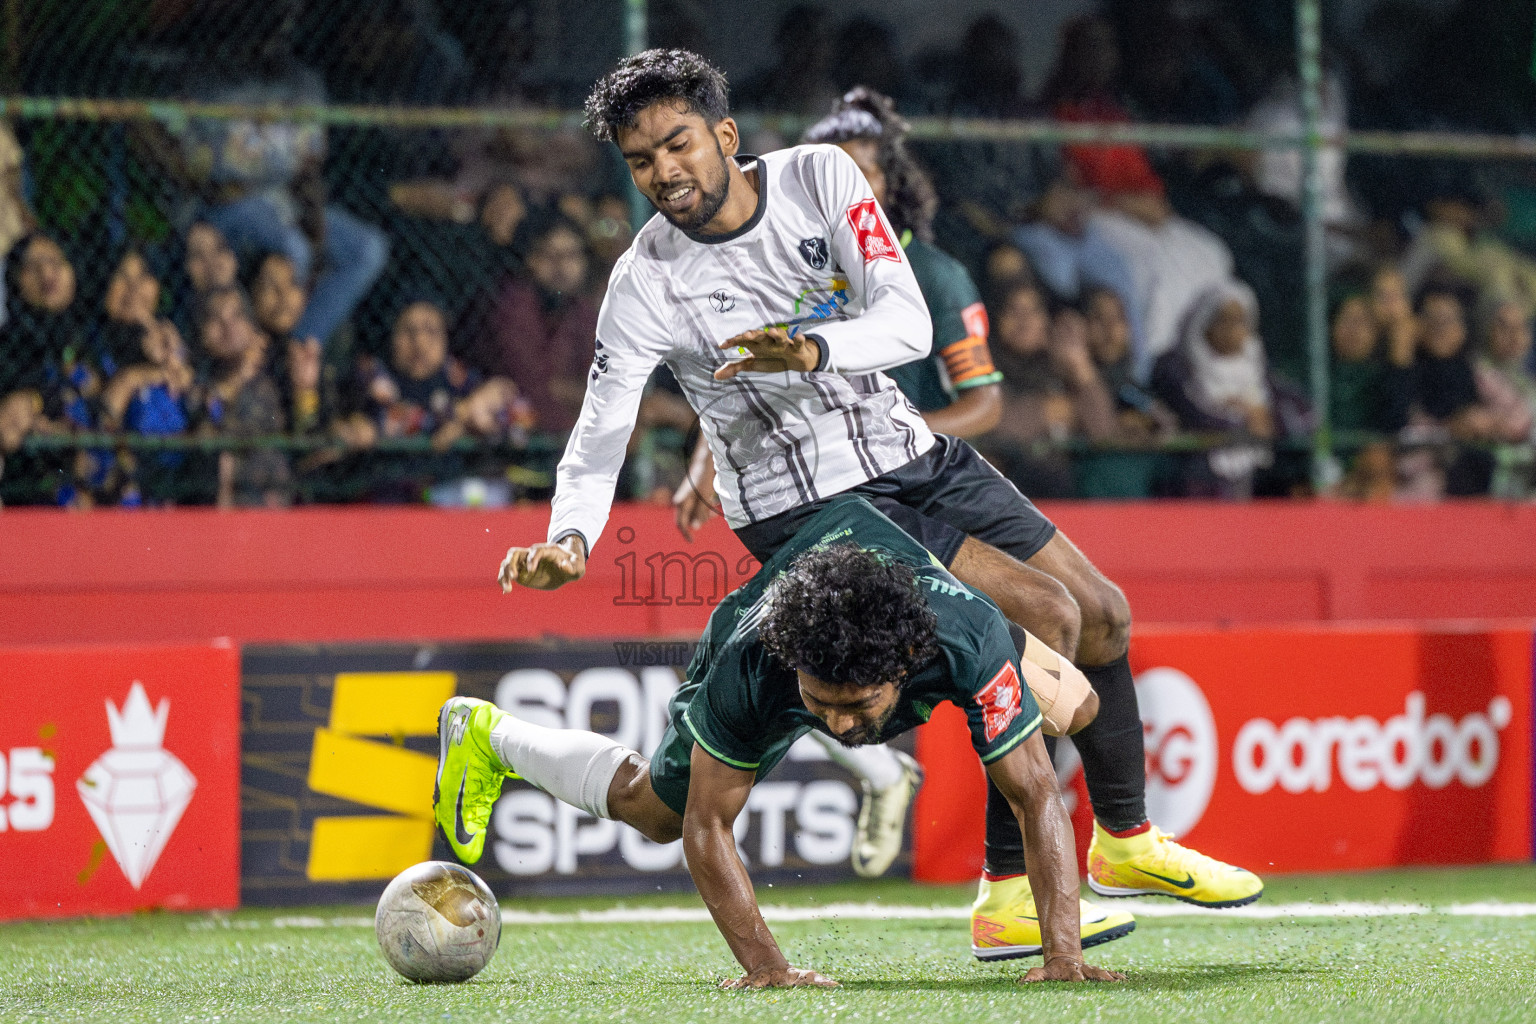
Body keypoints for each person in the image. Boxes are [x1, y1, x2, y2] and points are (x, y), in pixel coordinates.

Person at [496, 49, 1262, 966]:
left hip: (912, 452)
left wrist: (811, 351)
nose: (664, 172)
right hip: (803, 503)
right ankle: (1006, 893)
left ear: (725, 137)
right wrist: (570, 536)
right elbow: (600, 427)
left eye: (678, 144)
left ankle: (1127, 842)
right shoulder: (644, 281)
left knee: (1101, 613)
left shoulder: (818, 178)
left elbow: (907, 324)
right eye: (640, 159)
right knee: (1047, 616)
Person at [443, 496, 1125, 987]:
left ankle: (1129, 840)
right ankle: (490, 733)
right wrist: (769, 968)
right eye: (819, 704)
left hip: (901, 580)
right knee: (656, 811)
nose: (836, 725)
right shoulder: (755, 665)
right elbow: (707, 827)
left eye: (856, 708)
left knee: (1076, 709)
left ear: (904, 668)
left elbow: (1035, 793)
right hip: (774, 612)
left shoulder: (967, 640)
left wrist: (1063, 955)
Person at [467, 212, 599, 436]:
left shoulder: (583, 311)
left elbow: (603, 385)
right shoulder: (514, 305)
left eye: (571, 255)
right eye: (551, 255)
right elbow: (532, 387)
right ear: (531, 259)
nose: (562, 267)